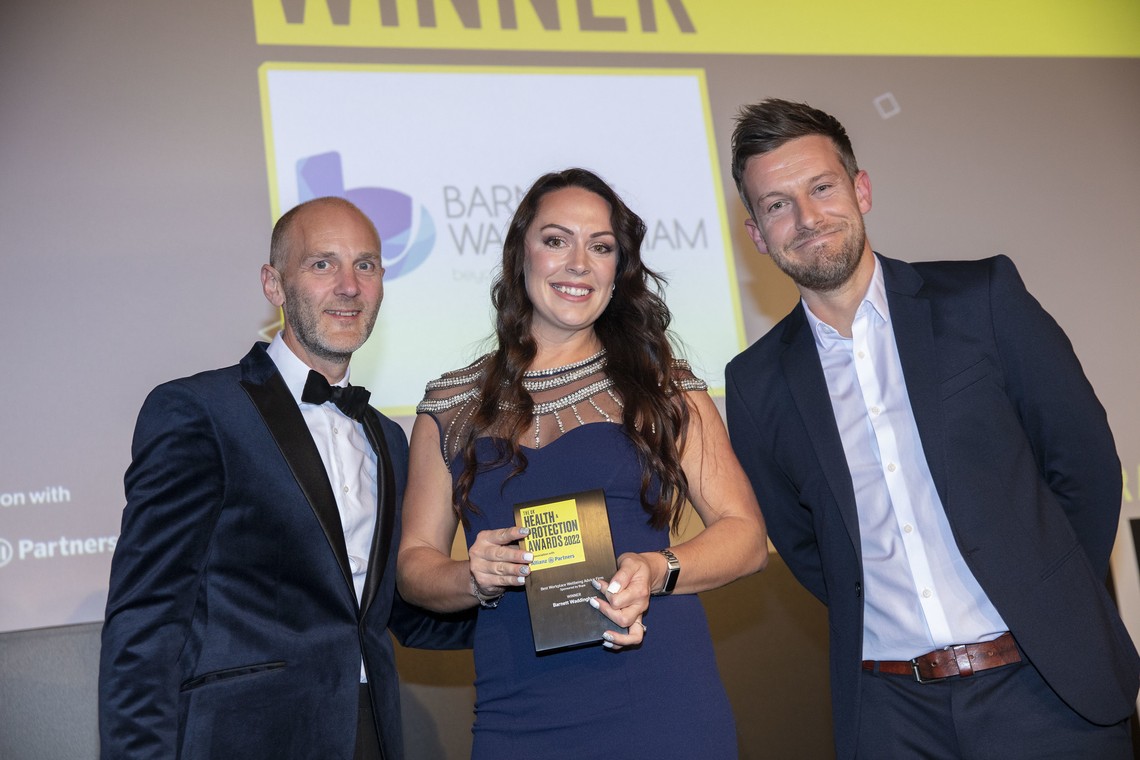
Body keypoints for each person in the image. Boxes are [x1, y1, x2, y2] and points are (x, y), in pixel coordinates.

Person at [725, 98, 1139, 758]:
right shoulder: (755, 383)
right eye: (777, 205)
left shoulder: (983, 300)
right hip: (892, 718)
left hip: (1045, 691)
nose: (805, 219)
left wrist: (1048, 596)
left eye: (821, 188)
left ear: (861, 190)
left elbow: (1085, 465)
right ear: (757, 234)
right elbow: (808, 549)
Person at [396, 168, 767, 758]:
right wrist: (472, 575)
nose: (578, 264)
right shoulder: (451, 406)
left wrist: (657, 569)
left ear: (618, 270)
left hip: (660, 700)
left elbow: (745, 537)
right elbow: (414, 566)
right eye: (556, 240)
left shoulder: (664, 389)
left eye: (600, 247)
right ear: (520, 254)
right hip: (517, 713)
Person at [99, 197, 472, 759]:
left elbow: (400, 614)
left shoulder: (389, 439)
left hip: (369, 732)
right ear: (273, 284)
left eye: (365, 265)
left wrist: (535, 595)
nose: (349, 286)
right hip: (244, 739)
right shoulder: (200, 411)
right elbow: (147, 616)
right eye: (323, 264)